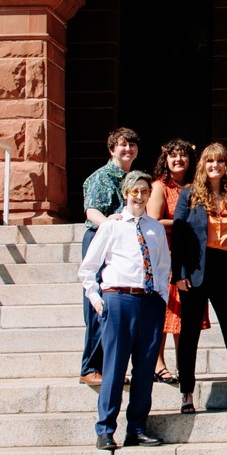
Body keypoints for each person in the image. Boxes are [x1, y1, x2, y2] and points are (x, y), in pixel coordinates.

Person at [78, 170, 169, 451]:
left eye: (145, 191)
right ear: (126, 194)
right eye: (135, 192)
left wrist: (161, 299)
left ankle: (137, 428)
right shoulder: (112, 226)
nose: (140, 196)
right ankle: (105, 429)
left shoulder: (155, 228)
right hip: (119, 299)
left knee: (144, 370)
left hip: (150, 300)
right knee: (115, 367)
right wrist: (97, 298)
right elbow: (89, 268)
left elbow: (163, 265)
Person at [172, 143, 227, 415]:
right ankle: (187, 392)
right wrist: (179, 273)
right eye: (210, 162)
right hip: (197, 269)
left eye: (220, 161)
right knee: (190, 334)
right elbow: (181, 235)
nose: (215, 166)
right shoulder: (190, 195)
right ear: (203, 166)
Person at [78, 126, 139, 386]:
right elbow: (91, 211)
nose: (128, 149)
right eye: (123, 145)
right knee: (98, 306)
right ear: (112, 148)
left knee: (113, 305)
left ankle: (105, 367)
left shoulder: (130, 178)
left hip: (120, 245)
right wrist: (108, 227)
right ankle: (90, 367)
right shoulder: (102, 177)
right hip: (100, 241)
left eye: (132, 145)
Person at [147, 138, 196, 387]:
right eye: (173, 156)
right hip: (164, 256)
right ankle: (158, 364)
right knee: (165, 312)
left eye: (183, 155)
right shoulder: (160, 186)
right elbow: (153, 219)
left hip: (187, 257)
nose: (178, 160)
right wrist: (182, 223)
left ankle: (182, 363)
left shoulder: (194, 186)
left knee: (182, 315)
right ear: (165, 160)